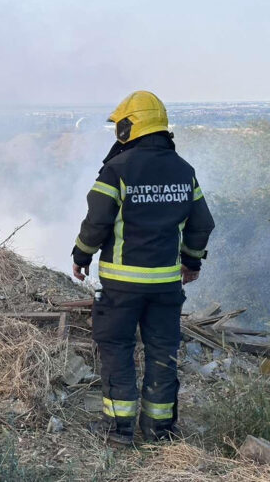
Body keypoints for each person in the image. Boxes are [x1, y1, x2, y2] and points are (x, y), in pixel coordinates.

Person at [72, 90, 214, 445]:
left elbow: (96, 223)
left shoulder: (116, 170)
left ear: (128, 128)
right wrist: (191, 261)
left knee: (118, 348)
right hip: (167, 286)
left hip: (122, 286)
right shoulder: (184, 170)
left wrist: (81, 256)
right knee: (162, 353)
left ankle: (119, 431)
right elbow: (202, 223)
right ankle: (159, 430)